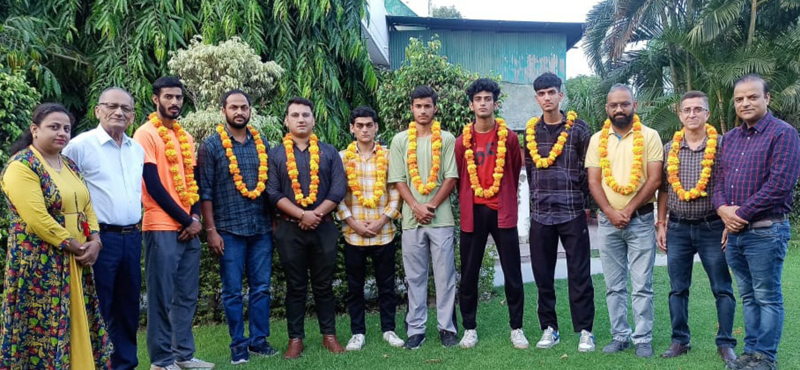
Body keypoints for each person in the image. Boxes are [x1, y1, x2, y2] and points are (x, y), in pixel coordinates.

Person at [0, 103, 111, 368]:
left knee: (76, 321)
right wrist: (77, 246)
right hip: (40, 263)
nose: (62, 133)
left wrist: (95, 240)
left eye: (66, 128)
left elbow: (86, 205)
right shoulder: (22, 165)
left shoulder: (69, 163)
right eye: (54, 127)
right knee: (41, 331)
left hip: (75, 259)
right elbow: (38, 219)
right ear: (34, 129)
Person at [713, 74, 800, 370]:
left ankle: (765, 358)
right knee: (748, 297)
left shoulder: (783, 133)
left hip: (765, 231)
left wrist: (739, 214)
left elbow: (780, 185)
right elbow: (719, 180)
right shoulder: (731, 139)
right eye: (739, 99)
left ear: (767, 98)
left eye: (752, 97)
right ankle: (749, 354)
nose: (745, 103)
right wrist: (723, 209)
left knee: (767, 296)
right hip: (735, 234)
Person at [133, 76, 213, 370]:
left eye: (178, 98)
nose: (175, 102)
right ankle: (162, 361)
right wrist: (186, 220)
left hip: (187, 227)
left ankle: (184, 355)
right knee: (161, 296)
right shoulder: (145, 134)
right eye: (169, 97)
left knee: (186, 295)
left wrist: (194, 217)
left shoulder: (185, 137)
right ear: (156, 99)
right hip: (160, 226)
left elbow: (191, 182)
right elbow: (152, 184)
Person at [63, 87, 145, 370]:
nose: (119, 112)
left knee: (128, 307)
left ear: (133, 116)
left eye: (126, 108)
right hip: (98, 240)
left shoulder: (137, 149)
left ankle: (125, 364)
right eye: (111, 106)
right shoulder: (80, 146)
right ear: (98, 110)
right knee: (97, 306)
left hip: (133, 237)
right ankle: (94, 364)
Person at [655, 91, 737, 364]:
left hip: (712, 227)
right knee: (677, 288)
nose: (692, 114)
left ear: (707, 114)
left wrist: (728, 220)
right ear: (680, 115)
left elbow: (730, 185)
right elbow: (664, 190)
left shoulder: (723, 145)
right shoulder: (670, 149)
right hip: (678, 228)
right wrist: (661, 223)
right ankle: (680, 340)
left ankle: (725, 343)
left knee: (722, 287)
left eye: (697, 109)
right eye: (687, 109)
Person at [197, 90, 277, 365]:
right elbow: (204, 192)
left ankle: (258, 341)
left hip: (261, 228)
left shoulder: (261, 142)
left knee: (262, 288)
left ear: (250, 110)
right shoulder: (212, 146)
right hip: (228, 230)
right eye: (233, 107)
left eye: (244, 107)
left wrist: (275, 220)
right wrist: (211, 231)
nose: (239, 111)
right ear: (224, 111)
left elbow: (269, 187)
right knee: (231, 292)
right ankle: (237, 345)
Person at [585, 84, 663, 358]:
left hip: (640, 221)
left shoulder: (650, 136)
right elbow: (593, 180)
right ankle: (620, 336)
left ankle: (643, 338)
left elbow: (655, 178)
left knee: (642, 284)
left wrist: (628, 209)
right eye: (613, 105)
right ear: (606, 108)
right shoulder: (597, 139)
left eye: (624, 104)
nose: (619, 109)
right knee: (613, 285)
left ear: (635, 105)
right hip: (608, 224)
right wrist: (609, 211)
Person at [266, 97, 347, 359]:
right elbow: (272, 192)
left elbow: (338, 189)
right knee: (296, 286)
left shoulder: (329, 152)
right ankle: (295, 339)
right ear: (286, 120)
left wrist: (315, 214)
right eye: (295, 115)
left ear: (314, 119)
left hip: (323, 228)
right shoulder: (276, 155)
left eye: (306, 115)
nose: (301, 119)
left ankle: (329, 336)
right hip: (290, 230)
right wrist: (302, 214)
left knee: (324, 285)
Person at [524, 72, 595, 352]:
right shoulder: (530, 132)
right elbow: (530, 172)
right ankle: (549, 328)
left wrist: (586, 205)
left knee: (580, 274)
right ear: (536, 98)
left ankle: (585, 331)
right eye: (541, 94)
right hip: (541, 214)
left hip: (572, 211)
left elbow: (589, 170)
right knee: (543, 275)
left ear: (561, 95)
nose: (547, 98)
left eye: (551, 92)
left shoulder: (579, 129)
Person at [454, 78, 526, 349]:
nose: (483, 103)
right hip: (474, 213)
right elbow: (461, 176)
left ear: (495, 103)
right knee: (469, 273)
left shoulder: (509, 137)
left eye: (487, 99)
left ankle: (516, 328)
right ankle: (469, 328)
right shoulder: (462, 142)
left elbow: (515, 167)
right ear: (471, 105)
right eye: (478, 99)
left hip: (503, 212)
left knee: (512, 272)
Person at [388, 85, 460, 349]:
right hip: (410, 220)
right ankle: (416, 329)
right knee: (415, 276)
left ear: (435, 108)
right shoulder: (400, 141)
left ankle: (447, 328)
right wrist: (416, 207)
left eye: (427, 106)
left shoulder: (447, 139)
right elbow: (398, 179)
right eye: (418, 106)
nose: (422, 110)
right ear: (411, 108)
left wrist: (430, 205)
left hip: (441, 219)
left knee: (445, 276)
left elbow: (451, 176)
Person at [336, 106, 405, 351]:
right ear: (352, 128)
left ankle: (389, 329)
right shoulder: (342, 157)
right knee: (354, 287)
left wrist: (381, 221)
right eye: (360, 125)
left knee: (387, 285)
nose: (365, 129)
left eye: (369, 125)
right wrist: (353, 223)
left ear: (376, 127)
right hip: (353, 235)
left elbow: (396, 191)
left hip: (383, 232)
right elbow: (337, 195)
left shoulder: (388, 156)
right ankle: (357, 333)